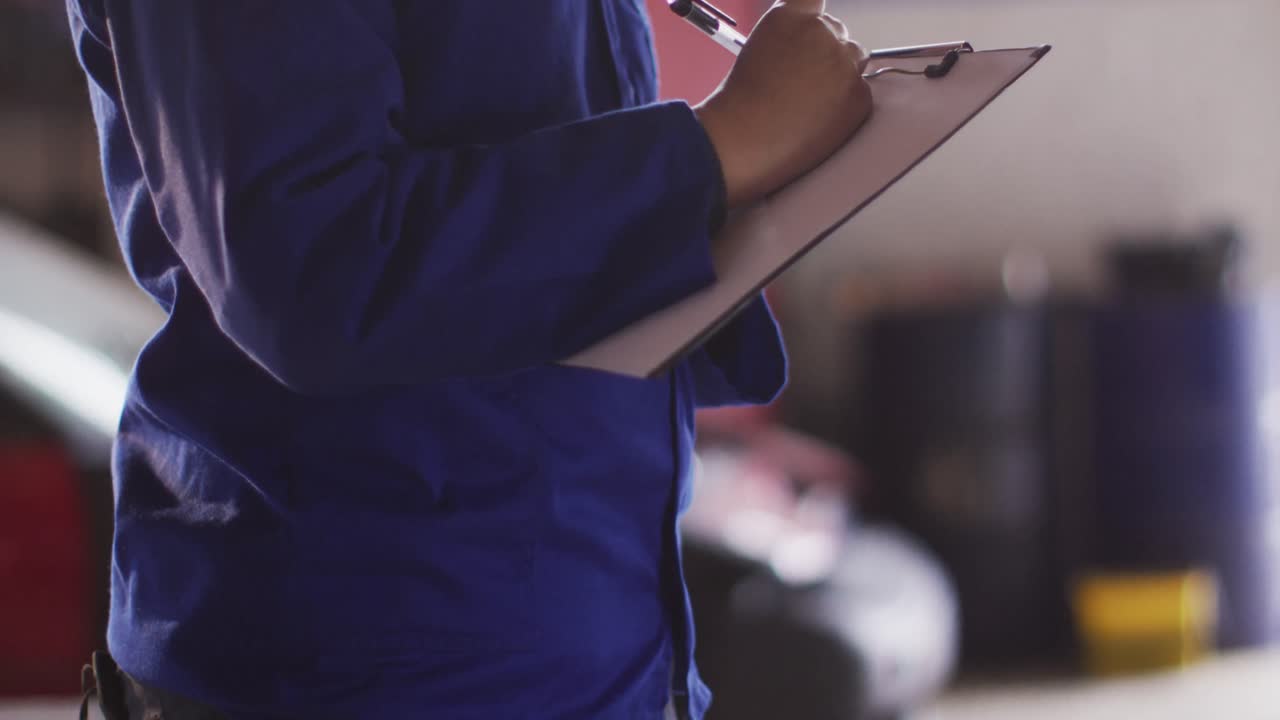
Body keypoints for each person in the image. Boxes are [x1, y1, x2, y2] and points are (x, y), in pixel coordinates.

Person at [66, 1, 872, 717]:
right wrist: (721, 149)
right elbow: (312, 270)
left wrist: (738, 178)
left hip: (602, 644)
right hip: (356, 663)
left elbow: (540, 251)